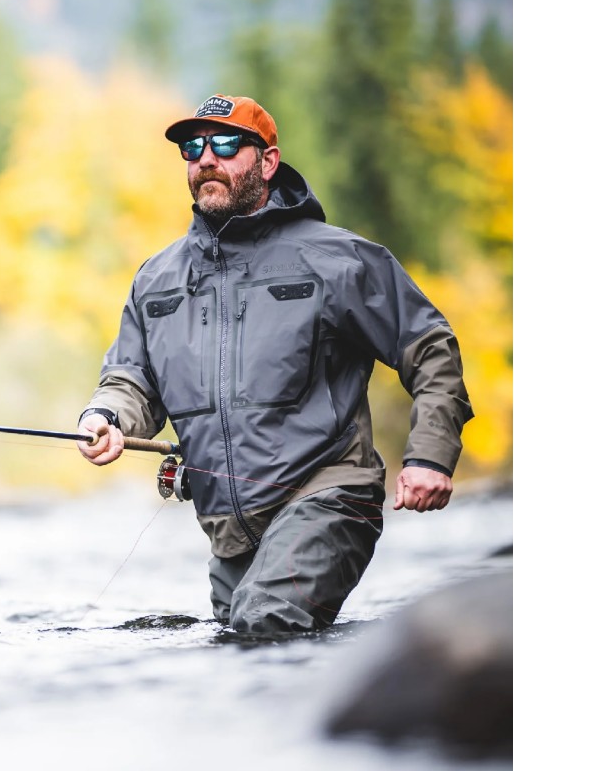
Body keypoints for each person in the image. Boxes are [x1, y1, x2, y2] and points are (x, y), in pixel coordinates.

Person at [76, 94, 473, 633]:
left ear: (268, 161)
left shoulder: (339, 259)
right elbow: (130, 378)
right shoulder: (156, 278)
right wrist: (104, 417)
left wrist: (430, 455)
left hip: (330, 497)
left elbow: (430, 348)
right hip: (229, 530)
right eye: (192, 148)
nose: (206, 159)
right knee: (239, 647)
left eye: (225, 144)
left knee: (263, 623)